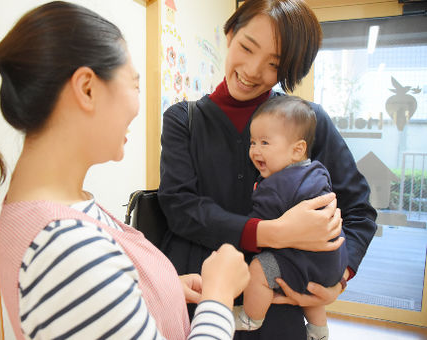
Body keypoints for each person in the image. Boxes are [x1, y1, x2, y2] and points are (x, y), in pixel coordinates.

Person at [0, 2, 251, 339]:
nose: (137, 104)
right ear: (87, 89)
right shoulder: (64, 248)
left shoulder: (63, 215)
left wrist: (158, 290)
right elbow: (83, 275)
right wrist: (218, 297)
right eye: (134, 84)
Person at [158, 0, 377, 339]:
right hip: (197, 297)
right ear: (230, 33)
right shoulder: (183, 120)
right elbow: (180, 208)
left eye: (274, 64)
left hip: (281, 308)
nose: (252, 70)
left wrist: (338, 277)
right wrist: (273, 233)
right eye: (247, 47)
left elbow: (358, 210)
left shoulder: (309, 122)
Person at [232, 95, 348, 340]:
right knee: (311, 286)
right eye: (253, 142)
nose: (255, 150)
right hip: (334, 262)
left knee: (259, 269)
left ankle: (251, 318)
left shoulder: (275, 186)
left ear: (297, 149)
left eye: (265, 142)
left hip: (304, 261)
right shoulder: (317, 170)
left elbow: (261, 227)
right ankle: (319, 330)